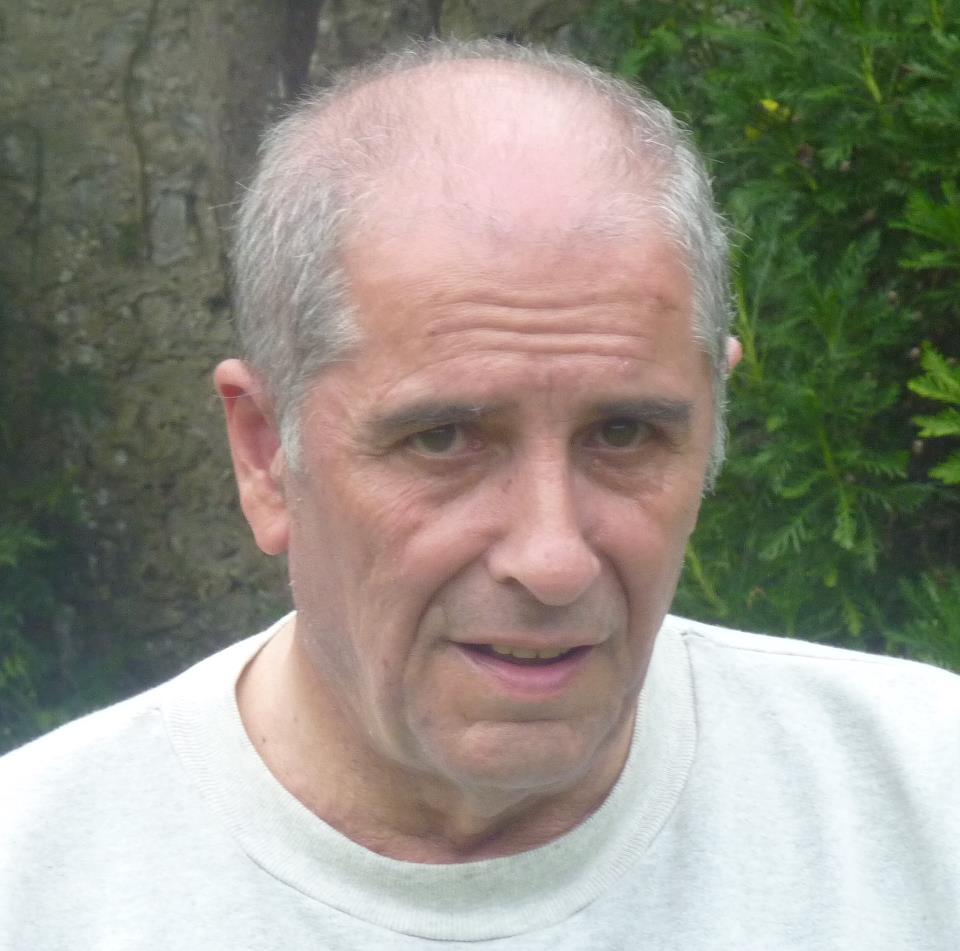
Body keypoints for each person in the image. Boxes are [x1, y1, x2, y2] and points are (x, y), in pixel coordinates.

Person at [2, 39, 958, 950]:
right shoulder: (35, 884)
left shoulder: (925, 802)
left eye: (624, 433)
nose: (552, 559)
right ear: (264, 455)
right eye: (443, 439)